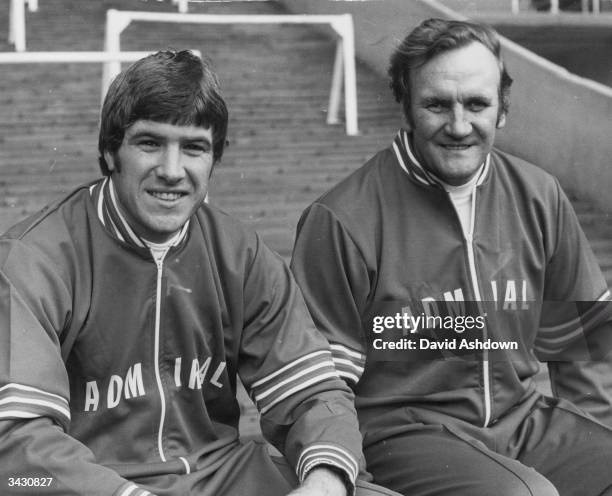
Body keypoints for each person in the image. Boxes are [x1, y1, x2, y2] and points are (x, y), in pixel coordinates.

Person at [0, 50, 398, 496]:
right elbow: (16, 447)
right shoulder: (34, 258)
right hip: (94, 482)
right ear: (111, 150)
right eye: (150, 143)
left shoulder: (239, 252)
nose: (172, 171)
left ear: (214, 158)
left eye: (193, 147)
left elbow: (313, 392)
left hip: (222, 475)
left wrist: (325, 482)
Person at [291, 18, 612, 496]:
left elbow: (581, 343)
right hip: (403, 434)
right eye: (437, 105)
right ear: (406, 106)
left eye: (477, 104)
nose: (459, 126)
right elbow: (319, 383)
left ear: (502, 108)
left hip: (520, 420)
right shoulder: (342, 219)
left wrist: (589, 443)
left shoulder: (538, 196)